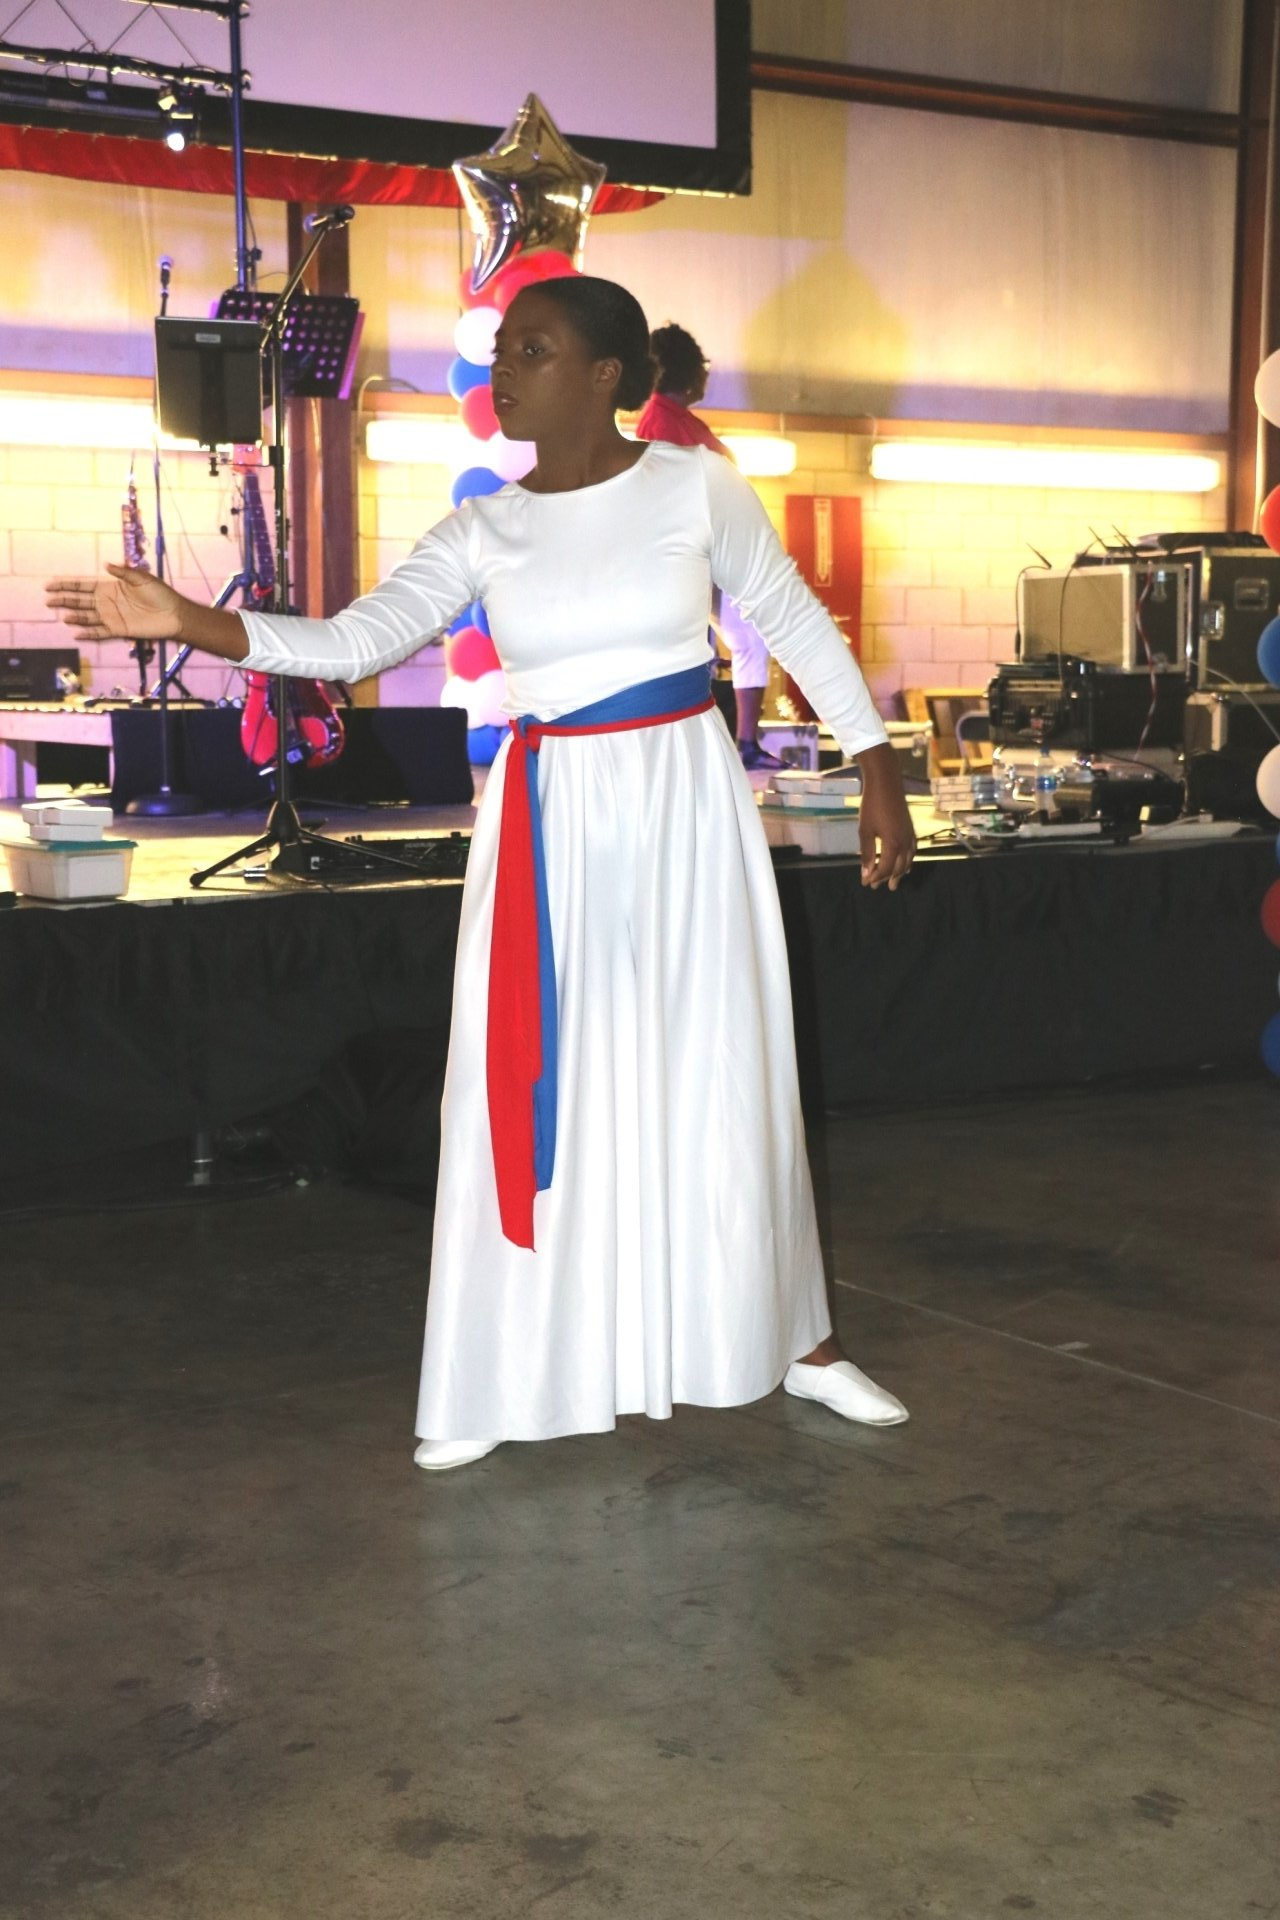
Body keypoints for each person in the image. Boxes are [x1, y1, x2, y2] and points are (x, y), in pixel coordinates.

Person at [47, 275, 916, 1472]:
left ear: (605, 376)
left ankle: (796, 1346)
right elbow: (354, 641)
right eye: (502, 347)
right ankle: (501, 1367)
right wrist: (192, 619)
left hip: (684, 804)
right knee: (529, 1082)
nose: (503, 368)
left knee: (723, 1065)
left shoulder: (692, 486)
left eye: (533, 349)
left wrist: (875, 766)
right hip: (549, 819)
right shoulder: (481, 528)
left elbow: (794, 618)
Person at [635, 321, 781, 771]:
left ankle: (745, 742)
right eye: (704, 366)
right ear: (687, 370)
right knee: (708, 647)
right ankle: (719, 744)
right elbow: (664, 503)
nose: (707, 376)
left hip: (715, 556)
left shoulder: (677, 421)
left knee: (747, 639)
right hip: (696, 559)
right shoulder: (660, 423)